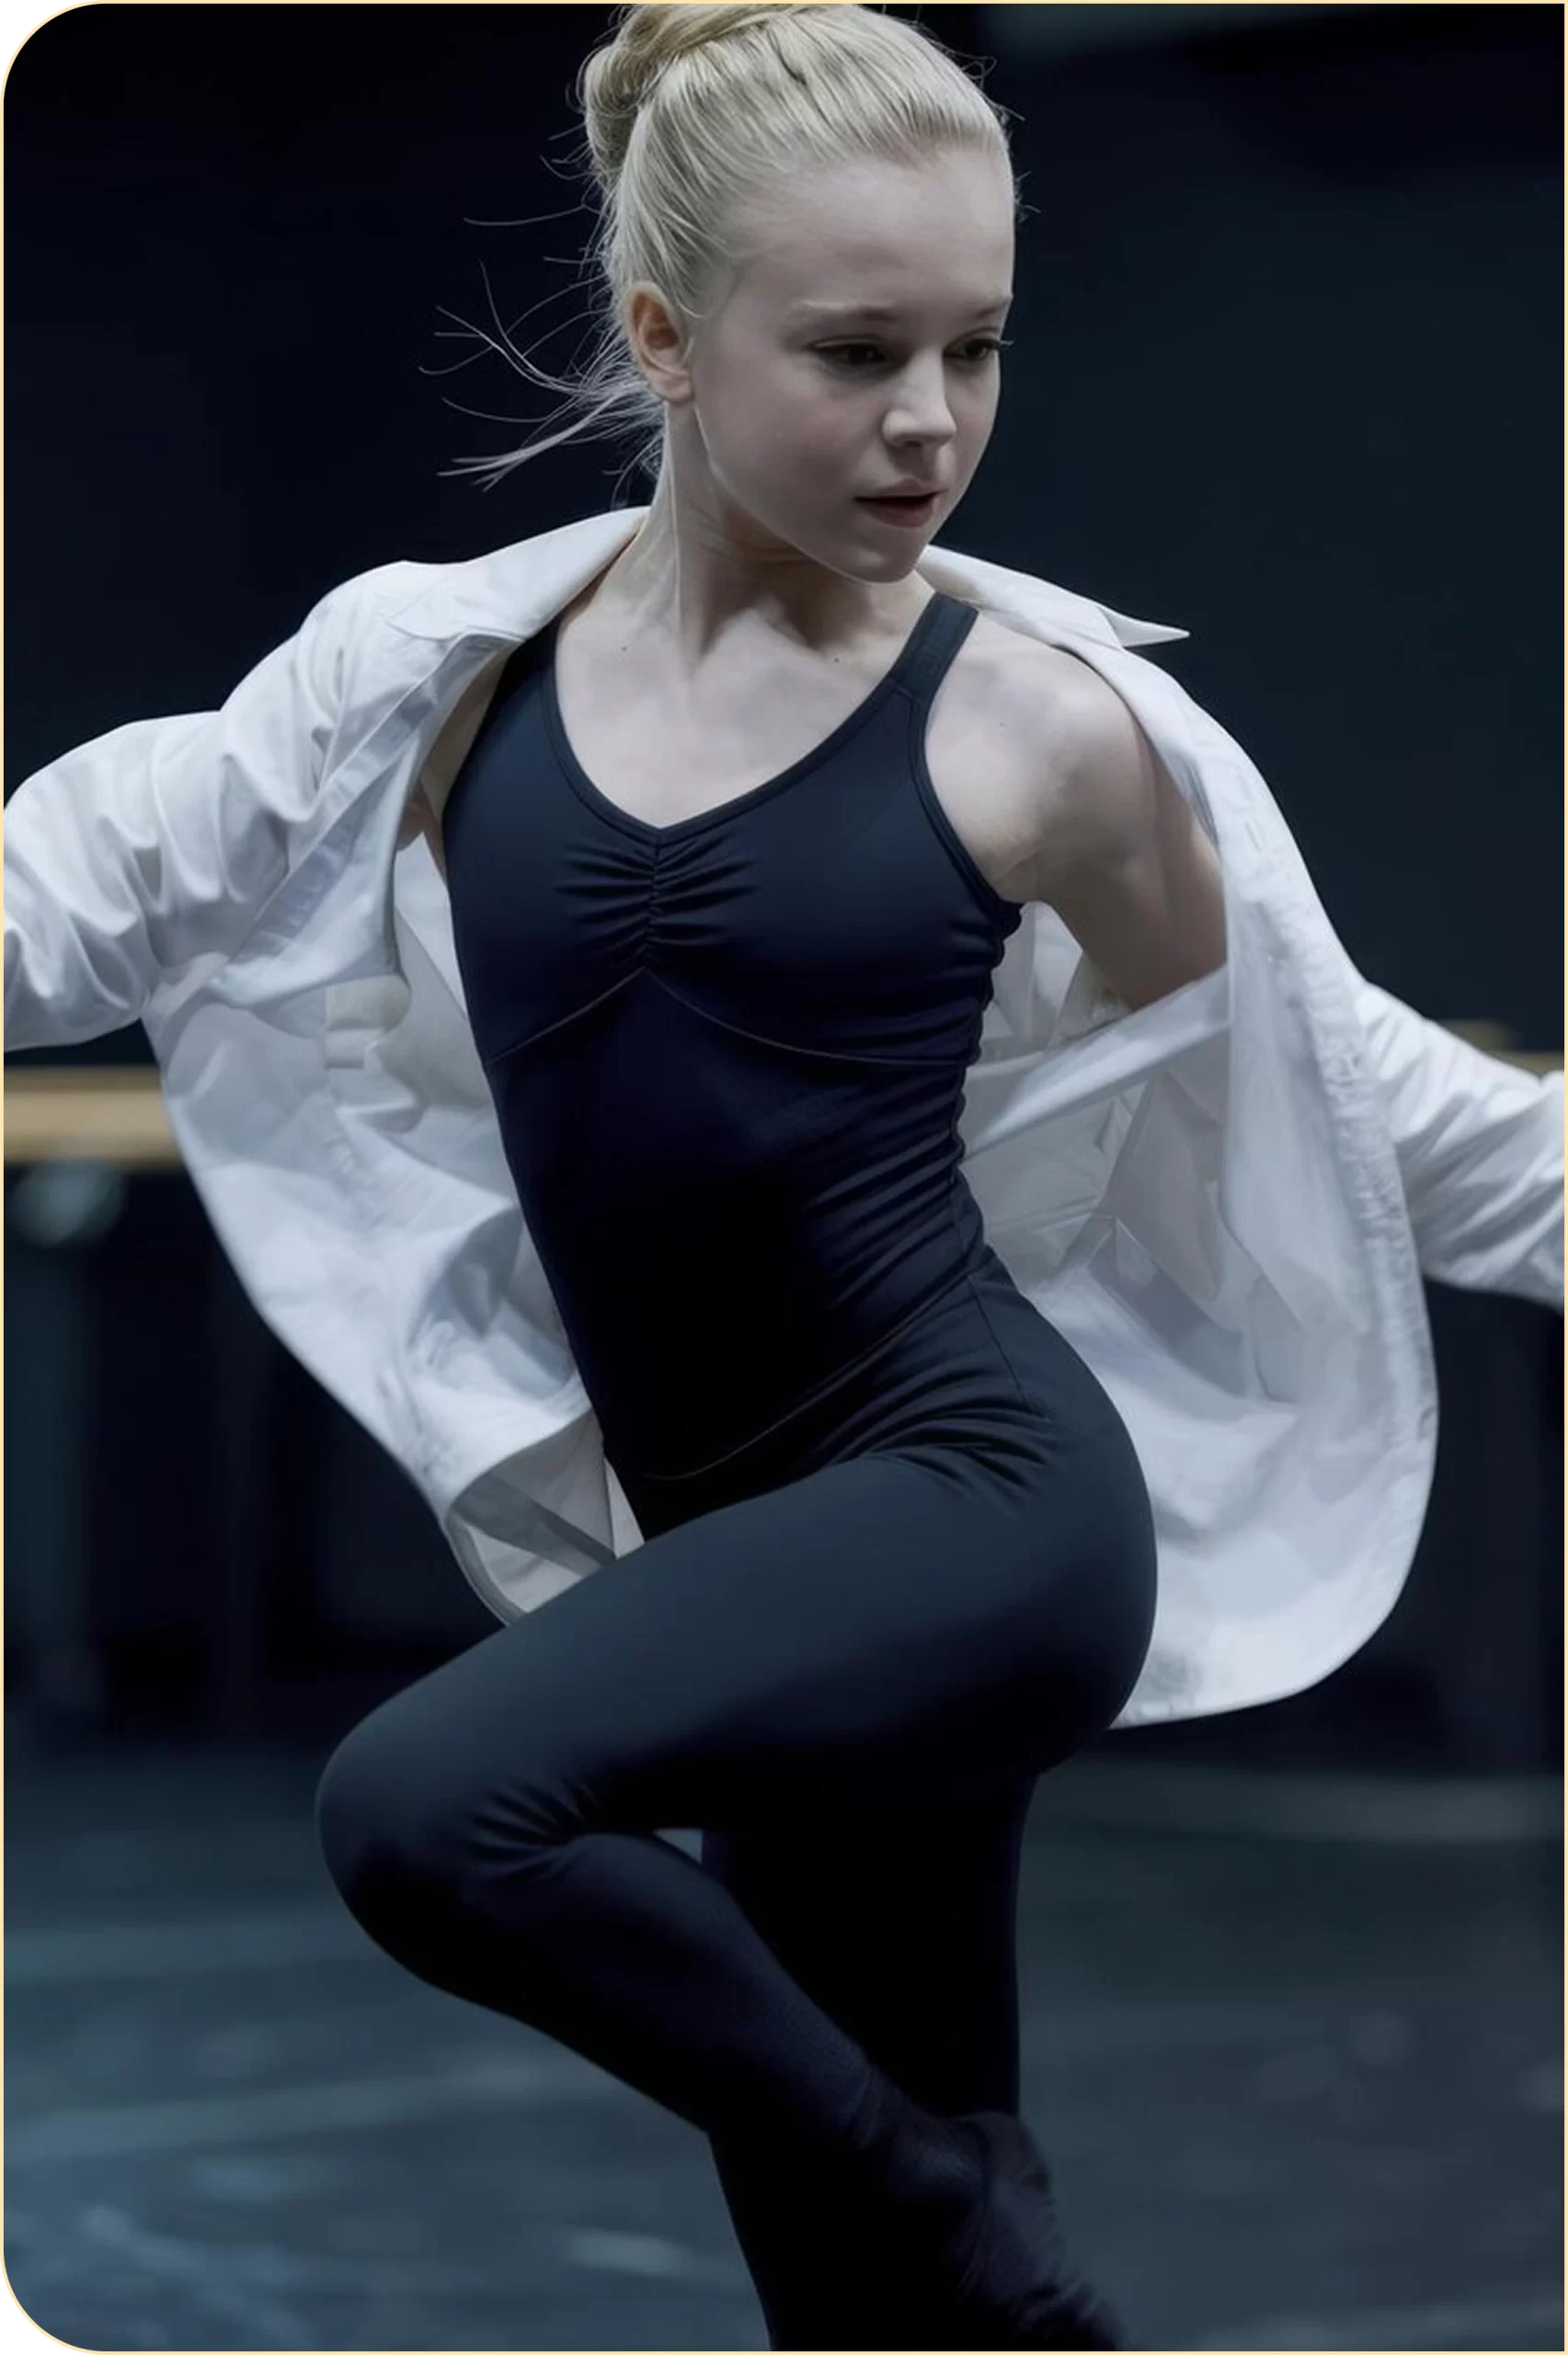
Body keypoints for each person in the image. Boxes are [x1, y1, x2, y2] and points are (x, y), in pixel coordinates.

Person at [4, 7, 1560, 2349]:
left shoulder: (1045, 730)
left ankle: (953, 2193)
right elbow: (75, 889)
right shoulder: (434, 681)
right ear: (666, 340)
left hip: (982, 1503)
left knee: (427, 1808)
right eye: (856, 352)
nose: (932, 419)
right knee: (863, 2313)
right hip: (737, 1546)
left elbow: (1362, 1097)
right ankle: (954, 2221)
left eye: (978, 347)